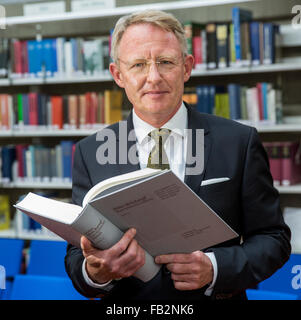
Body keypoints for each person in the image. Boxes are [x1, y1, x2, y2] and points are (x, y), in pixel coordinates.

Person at [65, 10, 291, 301]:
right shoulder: (91, 152)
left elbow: (274, 239)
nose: (154, 77)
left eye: (165, 62)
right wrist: (96, 272)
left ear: (186, 67)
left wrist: (215, 268)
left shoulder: (238, 142)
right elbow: (76, 257)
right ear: (118, 75)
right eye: (138, 65)